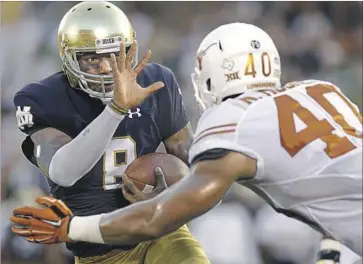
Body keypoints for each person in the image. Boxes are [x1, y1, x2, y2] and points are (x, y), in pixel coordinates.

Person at [12, 22, 362, 261]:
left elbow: (157, 218)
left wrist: (71, 227)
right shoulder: (323, 92)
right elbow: (336, 201)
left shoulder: (231, 120)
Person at [11, 1, 210, 264]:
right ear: (69, 57)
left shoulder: (156, 81)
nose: (107, 68)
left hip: (160, 232)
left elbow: (203, 174)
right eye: (93, 59)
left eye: (115, 55)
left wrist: (175, 200)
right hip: (99, 252)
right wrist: (115, 109)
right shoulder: (43, 98)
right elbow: (63, 172)